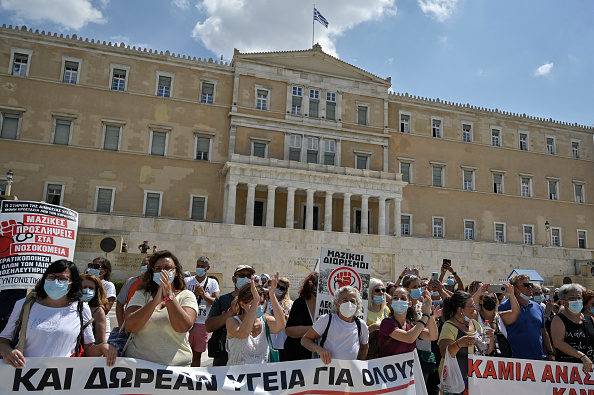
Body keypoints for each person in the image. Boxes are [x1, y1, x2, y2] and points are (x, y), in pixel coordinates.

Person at [0, 259, 116, 366]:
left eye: (63, 279)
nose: (56, 282)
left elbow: (88, 349)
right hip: (22, 376)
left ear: (72, 284)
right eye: (51, 277)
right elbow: (4, 340)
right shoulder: (24, 305)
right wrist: (7, 352)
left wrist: (103, 348)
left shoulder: (81, 308)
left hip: (61, 381)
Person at [124, 250, 198, 366]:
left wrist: (169, 297)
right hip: (138, 364)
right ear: (152, 272)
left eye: (168, 268)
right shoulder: (141, 294)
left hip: (175, 368)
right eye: (158, 268)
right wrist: (154, 302)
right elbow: (131, 326)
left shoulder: (186, 296)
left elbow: (183, 327)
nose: (163, 271)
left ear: (176, 272)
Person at [438, 291, 494, 394]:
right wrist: (459, 344)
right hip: (457, 383)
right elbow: (444, 354)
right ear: (460, 310)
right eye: (471, 306)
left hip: (476, 380)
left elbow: (487, 352)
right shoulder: (449, 326)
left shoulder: (475, 323)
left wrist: (491, 339)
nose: (475, 309)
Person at [226, 273, 286, 365]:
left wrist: (272, 296)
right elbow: (243, 333)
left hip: (261, 377)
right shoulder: (232, 321)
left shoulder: (265, 320)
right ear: (242, 305)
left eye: (261, 303)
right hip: (237, 377)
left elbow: (281, 325)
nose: (259, 306)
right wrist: (256, 300)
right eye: (255, 303)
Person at [301, 285, 369, 364]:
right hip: (327, 370)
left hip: (350, 373)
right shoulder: (326, 320)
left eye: (352, 301)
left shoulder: (361, 325)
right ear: (337, 304)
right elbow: (305, 340)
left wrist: (358, 365)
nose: (349, 304)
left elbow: (364, 348)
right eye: (345, 300)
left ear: (357, 306)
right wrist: (319, 349)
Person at [205, 264, 256, 366]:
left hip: (249, 355)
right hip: (224, 355)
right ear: (234, 279)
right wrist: (230, 313)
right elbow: (209, 326)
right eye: (241, 275)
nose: (245, 278)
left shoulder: (257, 300)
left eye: (248, 276)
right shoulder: (222, 300)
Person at [498, 274, 555, 360]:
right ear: (514, 289)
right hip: (514, 359)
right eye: (526, 285)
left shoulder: (537, 307)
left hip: (538, 358)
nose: (529, 287)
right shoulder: (503, 307)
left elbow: (543, 331)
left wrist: (551, 352)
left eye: (530, 285)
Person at [379, 286, 439, 358]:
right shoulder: (386, 323)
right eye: (395, 298)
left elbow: (433, 336)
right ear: (391, 303)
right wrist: (425, 315)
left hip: (406, 368)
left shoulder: (411, 325)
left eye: (403, 298)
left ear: (410, 304)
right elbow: (408, 338)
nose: (399, 300)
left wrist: (430, 313)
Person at [185, 256, 220, 367]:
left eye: (202, 266)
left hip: (202, 323)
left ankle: (194, 376)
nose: (199, 268)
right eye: (198, 266)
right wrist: (193, 294)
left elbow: (216, 301)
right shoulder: (187, 281)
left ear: (207, 268)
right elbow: (180, 298)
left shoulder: (212, 282)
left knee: (197, 354)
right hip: (187, 321)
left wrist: (204, 296)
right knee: (184, 353)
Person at [551, 283, 594, 371]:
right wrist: (582, 356)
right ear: (563, 302)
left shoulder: (590, 319)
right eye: (572, 298)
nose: (577, 300)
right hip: (569, 370)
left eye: (579, 297)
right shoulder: (559, 319)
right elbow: (558, 343)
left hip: (590, 368)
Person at [284, 272, 318, 361]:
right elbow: (289, 331)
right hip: (297, 355)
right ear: (310, 285)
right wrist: (317, 329)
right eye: (317, 284)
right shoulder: (300, 303)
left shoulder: (330, 306)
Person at [116, 256, 149, 327]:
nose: (145, 266)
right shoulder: (131, 281)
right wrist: (121, 325)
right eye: (144, 264)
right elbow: (120, 303)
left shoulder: (157, 283)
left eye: (148, 265)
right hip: (130, 325)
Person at [88, 257, 116, 336]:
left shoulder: (108, 285)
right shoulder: (84, 284)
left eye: (96, 266)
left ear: (105, 271)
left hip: (100, 328)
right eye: (91, 266)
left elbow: (106, 308)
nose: (93, 268)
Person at [267, 276, 292, 361]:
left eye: (282, 288)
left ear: (286, 291)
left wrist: (285, 317)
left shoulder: (290, 304)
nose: (278, 289)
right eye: (277, 286)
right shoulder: (265, 301)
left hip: (282, 343)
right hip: (268, 342)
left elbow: (292, 322)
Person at [80, 273, 109, 344]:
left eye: (91, 288)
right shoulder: (69, 307)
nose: (87, 291)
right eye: (84, 287)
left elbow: (100, 342)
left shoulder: (98, 311)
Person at [366, 278, 390, 359]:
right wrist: (373, 327)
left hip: (383, 352)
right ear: (370, 292)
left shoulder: (386, 309)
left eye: (383, 290)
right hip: (368, 352)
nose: (381, 292)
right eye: (377, 290)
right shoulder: (364, 311)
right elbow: (359, 334)